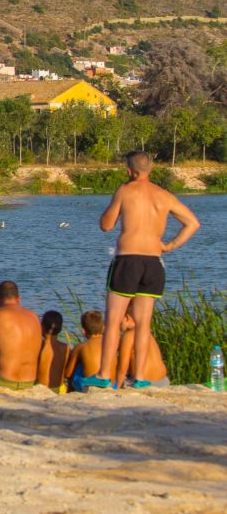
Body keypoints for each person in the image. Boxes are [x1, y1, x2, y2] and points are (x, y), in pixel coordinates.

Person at [77, 151, 200, 390]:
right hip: (154, 262)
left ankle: (103, 374)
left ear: (130, 171)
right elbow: (193, 223)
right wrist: (170, 245)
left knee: (113, 320)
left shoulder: (125, 190)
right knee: (144, 323)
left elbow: (106, 225)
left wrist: (115, 201)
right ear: (150, 170)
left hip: (128, 260)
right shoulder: (164, 195)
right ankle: (141, 377)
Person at [115, 310, 169, 388]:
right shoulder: (147, 334)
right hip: (163, 381)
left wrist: (118, 388)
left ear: (127, 318)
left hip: (144, 381)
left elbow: (122, 369)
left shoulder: (128, 336)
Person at [63, 310, 106, 392]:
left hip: (89, 387)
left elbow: (68, 374)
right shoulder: (110, 345)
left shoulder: (81, 346)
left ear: (83, 330)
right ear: (103, 328)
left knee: (78, 364)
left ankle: (70, 391)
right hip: (111, 384)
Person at [37, 310, 69, 393]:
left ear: (42, 326)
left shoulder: (40, 346)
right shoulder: (65, 347)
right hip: (60, 388)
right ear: (60, 328)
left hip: (42, 389)